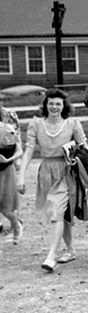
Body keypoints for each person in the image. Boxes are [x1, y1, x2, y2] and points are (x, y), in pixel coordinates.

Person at [17, 89, 88, 272]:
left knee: (57, 211)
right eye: (51, 103)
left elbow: (85, 149)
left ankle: (51, 256)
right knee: (58, 213)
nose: (54, 107)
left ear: (64, 106)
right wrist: (21, 176)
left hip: (66, 172)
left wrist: (75, 156)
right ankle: (70, 250)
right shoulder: (36, 124)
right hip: (46, 172)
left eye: (58, 104)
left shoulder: (72, 124)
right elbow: (29, 151)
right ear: (46, 105)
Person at [0, 104, 24, 245]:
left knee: (6, 207)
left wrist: (9, 160)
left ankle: (16, 226)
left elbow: (18, 149)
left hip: (4, 171)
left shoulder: (6, 129)